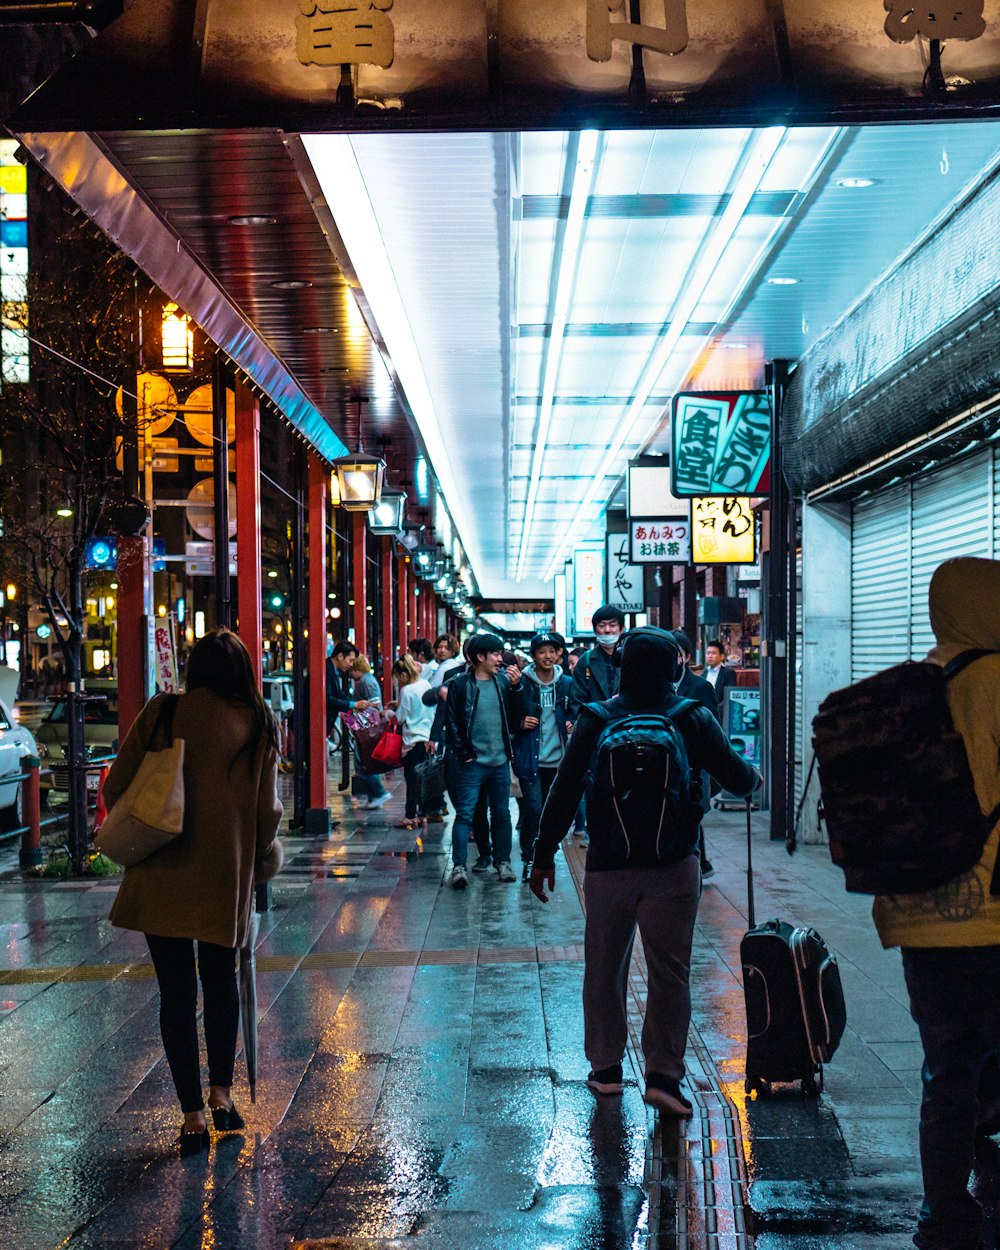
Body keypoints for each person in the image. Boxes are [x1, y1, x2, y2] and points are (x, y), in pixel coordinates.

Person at [529, 626, 758, 1117]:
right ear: (675, 668)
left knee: (604, 969)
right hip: (674, 865)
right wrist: (746, 776)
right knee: (670, 973)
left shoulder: (596, 717)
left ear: (623, 668)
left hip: (609, 865)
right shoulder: (690, 716)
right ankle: (663, 1077)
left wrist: (543, 854)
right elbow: (739, 780)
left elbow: (565, 789)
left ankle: (607, 1072)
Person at [103, 629, 284, 1157]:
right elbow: (267, 814)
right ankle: (223, 1097)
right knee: (222, 985)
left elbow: (117, 786)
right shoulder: (257, 722)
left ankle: (190, 1116)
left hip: (162, 874)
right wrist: (257, 856)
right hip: (223, 875)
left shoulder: (164, 712)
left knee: (176, 994)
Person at [872, 557, 1000, 1250]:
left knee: (946, 1070)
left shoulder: (905, 692)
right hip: (993, 916)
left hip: (921, 919)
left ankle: (945, 1214)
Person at [443, 631, 522, 888]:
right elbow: (452, 721)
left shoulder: (503, 682)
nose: (501, 659)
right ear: (480, 657)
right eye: (496, 654)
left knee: (501, 814)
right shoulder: (460, 684)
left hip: (500, 761)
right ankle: (458, 867)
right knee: (464, 815)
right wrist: (463, 753)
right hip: (472, 763)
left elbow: (517, 713)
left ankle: (503, 862)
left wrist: (518, 687)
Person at [513, 631, 574, 881]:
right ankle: (530, 858)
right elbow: (509, 713)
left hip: (559, 759)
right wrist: (519, 723)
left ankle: (545, 857)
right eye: (541, 651)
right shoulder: (523, 684)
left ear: (559, 653)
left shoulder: (567, 683)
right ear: (534, 656)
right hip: (531, 758)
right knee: (533, 809)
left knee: (553, 813)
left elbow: (577, 710)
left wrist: (572, 721)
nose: (547, 656)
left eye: (552, 650)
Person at [673, 629, 721, 880]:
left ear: (687, 657)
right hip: (666, 766)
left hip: (693, 766)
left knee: (692, 814)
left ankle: (693, 867)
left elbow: (711, 729)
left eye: (676, 654)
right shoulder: (654, 685)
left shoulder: (701, 687)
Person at [390, 654, 434, 831]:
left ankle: (409, 816)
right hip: (427, 739)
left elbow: (400, 719)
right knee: (425, 780)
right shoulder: (425, 684)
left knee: (411, 781)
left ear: (403, 674)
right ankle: (423, 814)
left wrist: (389, 713)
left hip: (412, 741)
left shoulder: (406, 691)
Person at [346, 654, 389, 811]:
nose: (349, 673)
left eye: (352, 669)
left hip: (366, 728)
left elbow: (375, 704)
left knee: (363, 762)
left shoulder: (365, 682)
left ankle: (378, 793)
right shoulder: (367, 681)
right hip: (365, 726)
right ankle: (374, 796)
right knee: (365, 761)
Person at [569, 605, 625, 716]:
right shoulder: (585, 660)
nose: (607, 630)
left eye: (612, 625)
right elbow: (577, 700)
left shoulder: (632, 657)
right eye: (602, 625)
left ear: (621, 629)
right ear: (595, 630)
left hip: (625, 725)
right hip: (595, 723)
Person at [704, 639, 737, 709]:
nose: (710, 656)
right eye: (708, 653)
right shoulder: (704, 673)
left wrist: (715, 709)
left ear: (722, 656)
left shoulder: (728, 673)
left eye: (713, 653)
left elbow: (729, 696)